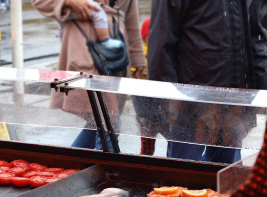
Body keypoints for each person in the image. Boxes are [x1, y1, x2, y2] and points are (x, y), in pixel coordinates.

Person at [148, 0, 267, 163]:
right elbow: (161, 40)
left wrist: (261, 89)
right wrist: (165, 103)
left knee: (226, 180)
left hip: (234, 105)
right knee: (184, 179)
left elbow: (256, 38)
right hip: (190, 106)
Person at [32, 0, 146, 151]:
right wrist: (68, 2)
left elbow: (131, 21)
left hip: (115, 57)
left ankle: (69, 166)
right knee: (109, 125)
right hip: (84, 56)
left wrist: (138, 60)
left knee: (98, 124)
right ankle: (104, 170)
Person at [131, 17, 170, 156]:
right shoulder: (142, 53)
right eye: (150, 36)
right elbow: (133, 71)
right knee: (151, 143)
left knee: (154, 142)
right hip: (147, 109)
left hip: (158, 109)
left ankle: (146, 166)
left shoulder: (159, 52)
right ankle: (144, 167)